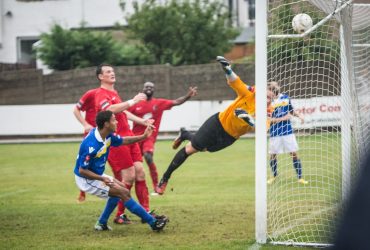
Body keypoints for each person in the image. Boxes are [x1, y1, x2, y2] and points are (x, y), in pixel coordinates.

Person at [155, 56, 272, 195]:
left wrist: (249, 120)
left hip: (230, 137)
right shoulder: (248, 94)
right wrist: (227, 69)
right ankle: (164, 179)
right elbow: (236, 81)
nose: (268, 100)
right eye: (266, 96)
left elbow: (263, 129)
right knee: (191, 149)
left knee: (204, 148)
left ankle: (185, 134)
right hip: (217, 123)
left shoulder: (268, 112)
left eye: (271, 98)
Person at [74, 110, 168, 231]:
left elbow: (124, 140)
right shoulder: (91, 144)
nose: (117, 121)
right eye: (114, 119)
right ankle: (153, 222)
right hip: (86, 179)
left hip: (96, 174)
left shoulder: (106, 135)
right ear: (106, 124)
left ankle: (101, 223)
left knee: (122, 190)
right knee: (123, 193)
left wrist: (143, 137)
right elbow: (82, 170)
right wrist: (102, 178)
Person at [94, 63, 154, 225]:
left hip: (129, 136)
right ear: (101, 77)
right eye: (108, 71)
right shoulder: (100, 94)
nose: (112, 73)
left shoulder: (113, 92)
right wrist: (132, 101)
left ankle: (145, 211)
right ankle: (119, 214)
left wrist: (142, 120)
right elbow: (111, 110)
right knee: (128, 176)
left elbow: (124, 111)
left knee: (140, 172)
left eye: (113, 71)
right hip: (117, 140)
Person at [128, 81, 197, 191]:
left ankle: (157, 186)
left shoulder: (158, 103)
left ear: (154, 90)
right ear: (143, 89)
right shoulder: (136, 103)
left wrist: (188, 96)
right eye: (146, 87)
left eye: (151, 87)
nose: (149, 88)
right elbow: (124, 112)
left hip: (149, 137)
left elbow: (176, 102)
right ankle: (126, 186)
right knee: (130, 165)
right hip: (135, 138)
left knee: (148, 156)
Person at [267, 81, 308, 185]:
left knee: (294, 153)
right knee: (272, 155)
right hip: (275, 132)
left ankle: (300, 178)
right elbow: (267, 119)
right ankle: (274, 176)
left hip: (287, 131)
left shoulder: (285, 97)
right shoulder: (267, 102)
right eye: (272, 86)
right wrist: (282, 118)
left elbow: (291, 111)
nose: (275, 87)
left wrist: (300, 116)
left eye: (276, 85)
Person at [73, 88, 98, 202]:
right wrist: (85, 124)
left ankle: (118, 189)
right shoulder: (91, 94)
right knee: (86, 163)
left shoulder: (111, 94)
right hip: (91, 136)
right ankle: (82, 191)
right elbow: (76, 109)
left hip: (105, 136)